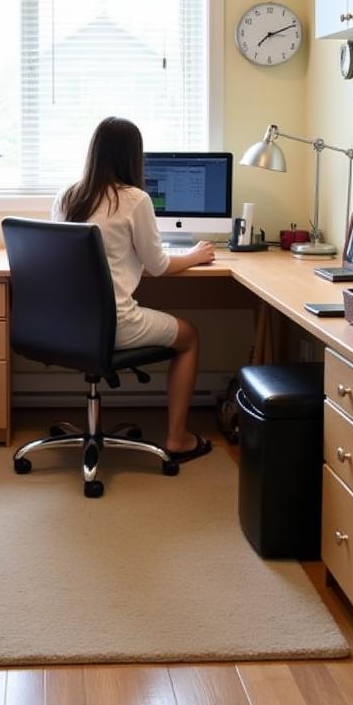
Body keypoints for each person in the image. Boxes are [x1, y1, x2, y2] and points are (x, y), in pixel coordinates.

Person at [52, 116, 216, 462]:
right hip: (116, 325)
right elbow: (158, 265)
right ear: (133, 157)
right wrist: (194, 256)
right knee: (190, 336)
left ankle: (174, 434)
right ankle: (177, 438)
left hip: (67, 326)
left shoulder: (67, 197)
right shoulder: (135, 200)